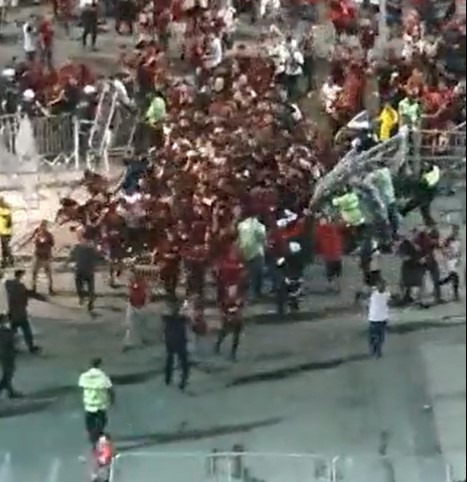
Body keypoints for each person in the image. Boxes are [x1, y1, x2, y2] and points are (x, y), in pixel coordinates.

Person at [78, 358, 114, 446]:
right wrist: (112, 399)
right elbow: (109, 389)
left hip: (89, 402)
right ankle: (98, 433)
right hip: (100, 402)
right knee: (102, 420)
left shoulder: (84, 376)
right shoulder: (103, 376)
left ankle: (92, 434)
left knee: (89, 420)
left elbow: (81, 386)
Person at [5, 270, 41, 354]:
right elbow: (27, 295)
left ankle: (10, 347)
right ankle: (31, 347)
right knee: (26, 331)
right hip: (21, 314)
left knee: (13, 332)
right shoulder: (20, 287)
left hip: (13, 314)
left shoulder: (10, 287)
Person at [237, 210, 266, 300]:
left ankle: (244, 293)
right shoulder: (260, 226)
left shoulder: (241, 225)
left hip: (243, 251)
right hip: (257, 252)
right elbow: (262, 238)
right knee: (257, 274)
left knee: (246, 273)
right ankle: (256, 293)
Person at [67, 236, 102, 313]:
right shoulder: (77, 248)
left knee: (90, 288)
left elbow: (97, 258)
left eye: (86, 240)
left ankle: (89, 301)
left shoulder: (90, 249)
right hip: (81, 270)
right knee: (80, 287)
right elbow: (71, 256)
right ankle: (83, 298)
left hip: (86, 270)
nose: (84, 242)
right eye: (83, 240)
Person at [162, 299, 189, 391]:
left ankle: (168, 378)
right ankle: (183, 378)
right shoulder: (180, 320)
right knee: (182, 360)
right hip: (179, 342)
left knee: (170, 359)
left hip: (171, 342)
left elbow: (165, 330)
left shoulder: (168, 320)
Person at [26, 220, 55, 294]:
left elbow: (52, 243)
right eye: (42, 226)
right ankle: (34, 287)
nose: (43, 227)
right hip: (39, 255)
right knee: (35, 272)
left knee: (47, 273)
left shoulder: (48, 235)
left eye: (44, 226)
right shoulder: (38, 234)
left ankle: (50, 288)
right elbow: (36, 243)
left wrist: (44, 242)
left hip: (45, 255)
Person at [123, 268, 148, 350]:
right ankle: (130, 342)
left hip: (138, 305)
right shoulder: (133, 283)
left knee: (135, 324)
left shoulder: (140, 283)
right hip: (134, 304)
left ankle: (135, 341)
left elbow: (144, 293)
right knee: (131, 324)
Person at [0, 314, 22, 399]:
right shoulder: (4, 331)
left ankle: (11, 391)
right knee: (8, 373)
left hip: (6, 354)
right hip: (6, 354)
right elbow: (7, 343)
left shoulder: (6, 330)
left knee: (8, 373)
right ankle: (9, 391)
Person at [367, 280, 390, 358]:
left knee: (376, 337)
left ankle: (374, 351)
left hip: (377, 319)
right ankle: (376, 351)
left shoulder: (375, 294)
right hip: (379, 319)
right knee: (378, 337)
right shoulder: (386, 295)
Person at [0, 197, 13, 268]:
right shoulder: (6, 210)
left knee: (5, 247)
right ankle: (6, 262)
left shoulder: (4, 210)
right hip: (4, 232)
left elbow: (8, 222)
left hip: (5, 232)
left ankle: (10, 260)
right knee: (4, 248)